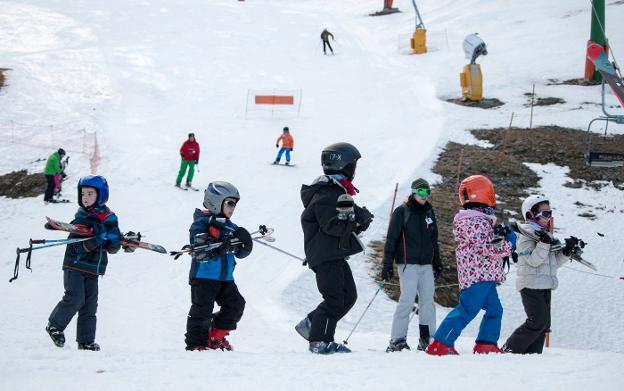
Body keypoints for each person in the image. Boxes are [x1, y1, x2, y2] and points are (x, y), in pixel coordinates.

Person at [295, 142, 374, 354]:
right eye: (353, 165)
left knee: (348, 296)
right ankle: (320, 341)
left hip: (334, 253)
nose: (354, 170)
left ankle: (312, 323)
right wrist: (356, 223)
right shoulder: (326, 193)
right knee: (334, 298)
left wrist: (362, 218)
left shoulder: (337, 191)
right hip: (325, 254)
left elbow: (348, 216)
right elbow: (332, 225)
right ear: (343, 165)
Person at [425, 175, 511, 355]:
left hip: (486, 275)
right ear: (485, 195)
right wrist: (510, 242)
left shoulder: (479, 221)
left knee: (495, 310)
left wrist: (500, 236)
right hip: (477, 275)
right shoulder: (473, 222)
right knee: (467, 310)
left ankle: (486, 344)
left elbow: (488, 244)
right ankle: (440, 343)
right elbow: (490, 249)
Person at [45, 175, 122, 351]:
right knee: (75, 297)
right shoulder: (82, 218)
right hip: (75, 266)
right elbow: (79, 248)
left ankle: (85, 341)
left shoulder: (110, 218)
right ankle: (55, 325)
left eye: (90, 193)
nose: (85, 197)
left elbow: (112, 248)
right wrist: (97, 239)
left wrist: (114, 240)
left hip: (93, 269)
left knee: (90, 305)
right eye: (83, 194)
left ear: (101, 195)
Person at [185, 181, 253, 351]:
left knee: (236, 305)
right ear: (215, 201)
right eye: (230, 203)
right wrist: (219, 244)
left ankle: (215, 336)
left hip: (225, 278)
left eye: (235, 204)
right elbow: (199, 247)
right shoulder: (201, 222)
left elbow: (240, 253)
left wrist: (246, 244)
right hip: (204, 277)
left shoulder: (231, 227)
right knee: (202, 311)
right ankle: (196, 344)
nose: (233, 208)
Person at [502, 195, 575, 354]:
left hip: (545, 284)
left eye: (550, 213)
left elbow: (554, 262)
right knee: (537, 321)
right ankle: (510, 348)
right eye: (545, 214)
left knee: (544, 325)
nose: (548, 218)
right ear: (530, 215)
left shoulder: (544, 235)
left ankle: (533, 356)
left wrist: (566, 252)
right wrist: (543, 243)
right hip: (531, 284)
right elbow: (534, 260)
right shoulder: (526, 236)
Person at [382, 178, 442, 352]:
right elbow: (392, 239)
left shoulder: (429, 212)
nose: (424, 196)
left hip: (426, 265)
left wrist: (437, 262)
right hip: (407, 263)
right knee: (407, 300)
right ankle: (397, 339)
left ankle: (427, 338)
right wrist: (387, 264)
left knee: (428, 301)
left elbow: (433, 240)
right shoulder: (402, 211)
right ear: (414, 192)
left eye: (427, 192)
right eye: (421, 192)